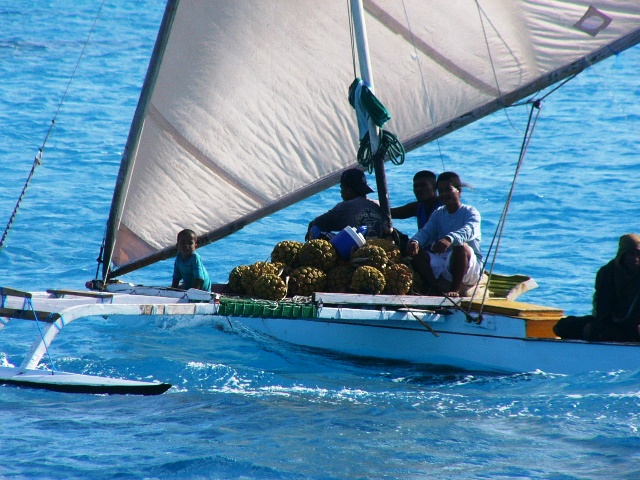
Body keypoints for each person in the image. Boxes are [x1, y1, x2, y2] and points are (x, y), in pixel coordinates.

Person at [405, 172, 482, 297]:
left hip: (469, 269)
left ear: (459, 190)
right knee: (415, 251)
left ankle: (454, 290)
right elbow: (426, 231)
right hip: (443, 263)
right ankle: (436, 286)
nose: (444, 194)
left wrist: (449, 238)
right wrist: (415, 241)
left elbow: (468, 230)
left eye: (448, 190)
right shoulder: (439, 213)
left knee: (460, 247)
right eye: (440, 191)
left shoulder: (470, 212)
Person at [553, 233, 640, 342]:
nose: (635, 259)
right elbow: (601, 306)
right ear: (622, 253)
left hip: (633, 328)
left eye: (639, 255)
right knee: (563, 326)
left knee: (594, 331)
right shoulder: (607, 272)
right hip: (610, 322)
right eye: (631, 254)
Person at [307, 168, 384, 239]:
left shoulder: (345, 207)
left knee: (315, 229)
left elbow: (319, 222)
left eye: (341, 188)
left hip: (360, 250)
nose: (341, 192)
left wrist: (311, 225)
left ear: (349, 191)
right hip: (379, 246)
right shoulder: (377, 204)